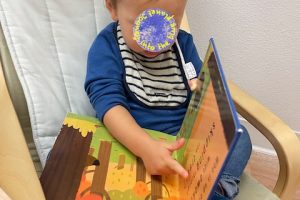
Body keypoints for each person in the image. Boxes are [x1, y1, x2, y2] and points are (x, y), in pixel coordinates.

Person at [84, 0, 252, 199]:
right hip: (131, 140)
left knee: (239, 138)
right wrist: (145, 147)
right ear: (113, 8)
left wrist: (207, 98)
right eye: (144, 25)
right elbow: (108, 103)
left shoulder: (183, 45)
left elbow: (200, 91)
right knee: (81, 154)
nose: (157, 39)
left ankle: (216, 188)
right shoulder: (108, 45)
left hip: (182, 142)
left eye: (168, 25)